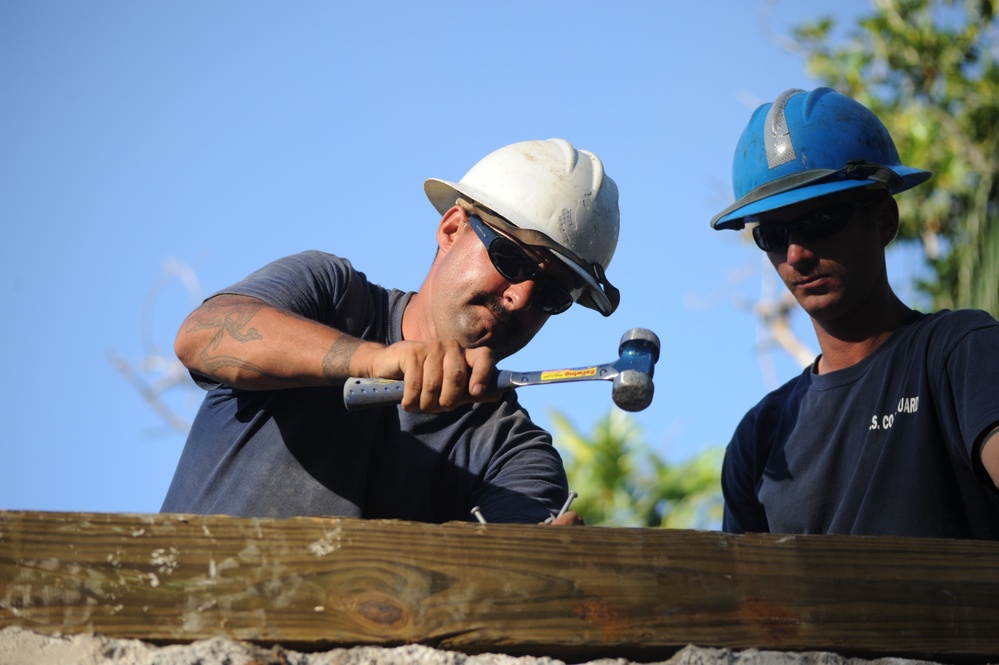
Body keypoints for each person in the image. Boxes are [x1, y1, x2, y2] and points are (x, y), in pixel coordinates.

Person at [161, 138, 622, 525]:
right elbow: (200, 335)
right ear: (452, 228)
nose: (520, 297)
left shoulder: (512, 454)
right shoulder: (331, 295)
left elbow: (512, 578)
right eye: (511, 260)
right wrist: (372, 360)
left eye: (551, 294)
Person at [710, 88, 999, 539]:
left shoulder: (960, 353)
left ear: (884, 220)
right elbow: (743, 599)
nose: (797, 253)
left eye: (821, 220)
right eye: (773, 234)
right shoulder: (760, 437)